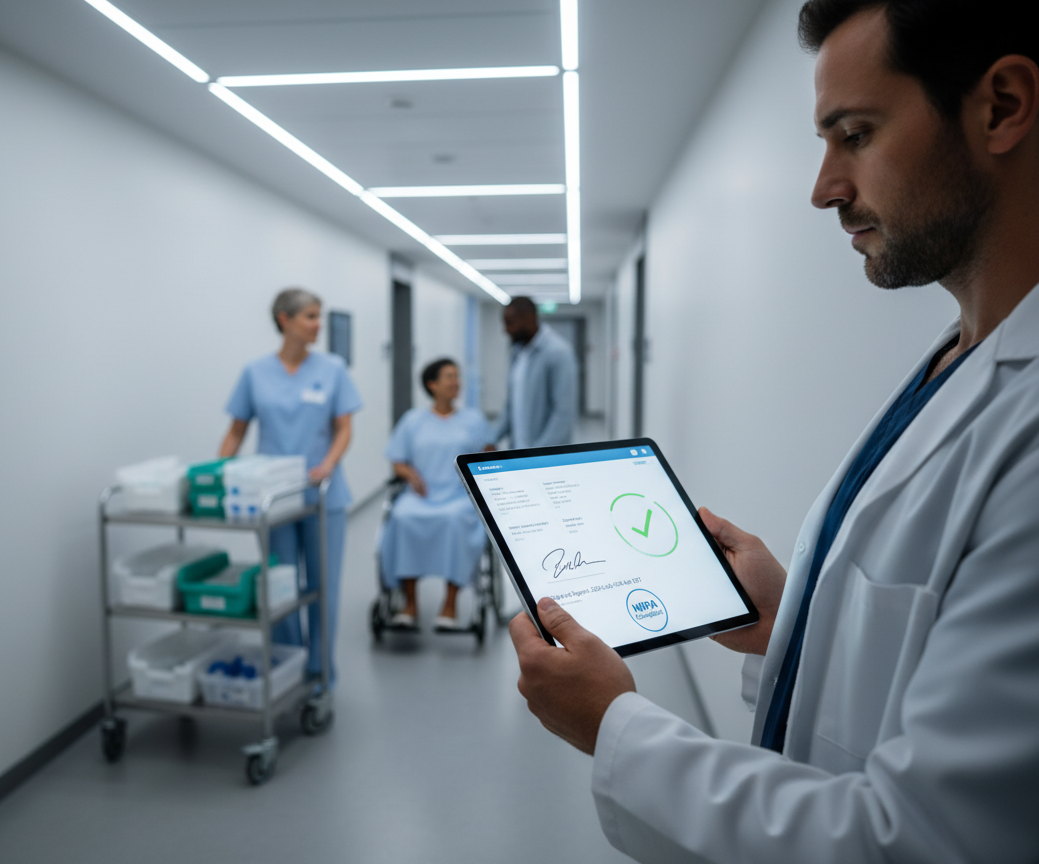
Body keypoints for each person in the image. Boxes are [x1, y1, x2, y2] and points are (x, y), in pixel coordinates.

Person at [510, 2, 1039, 862]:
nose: (824, 186)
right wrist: (784, 617)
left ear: (1002, 106)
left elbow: (919, 842)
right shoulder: (960, 359)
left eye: (855, 134)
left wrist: (613, 725)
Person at [220, 287, 362, 690]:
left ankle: (320, 672)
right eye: (311, 317)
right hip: (273, 498)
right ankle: (289, 666)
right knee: (280, 587)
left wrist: (328, 465)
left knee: (322, 587)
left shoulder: (333, 369)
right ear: (285, 320)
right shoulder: (255, 372)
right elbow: (235, 432)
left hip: (323, 496)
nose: (319, 325)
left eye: (320, 316)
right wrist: (218, 478)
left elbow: (344, 428)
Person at [379, 359, 493, 630]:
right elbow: (398, 460)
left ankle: (450, 604)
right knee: (402, 518)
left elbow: (488, 453)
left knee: (455, 521)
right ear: (432, 385)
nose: (456, 382)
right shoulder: (413, 420)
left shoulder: (473, 420)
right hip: (421, 495)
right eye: (449, 377)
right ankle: (409, 604)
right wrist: (411, 475)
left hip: (458, 497)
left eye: (457, 377)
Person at [491, 296, 578, 449]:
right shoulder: (517, 353)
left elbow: (563, 415)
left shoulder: (558, 352)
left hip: (545, 458)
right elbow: (512, 404)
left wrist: (538, 456)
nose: (506, 330)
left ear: (528, 318)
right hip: (519, 452)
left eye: (510, 323)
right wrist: (492, 439)